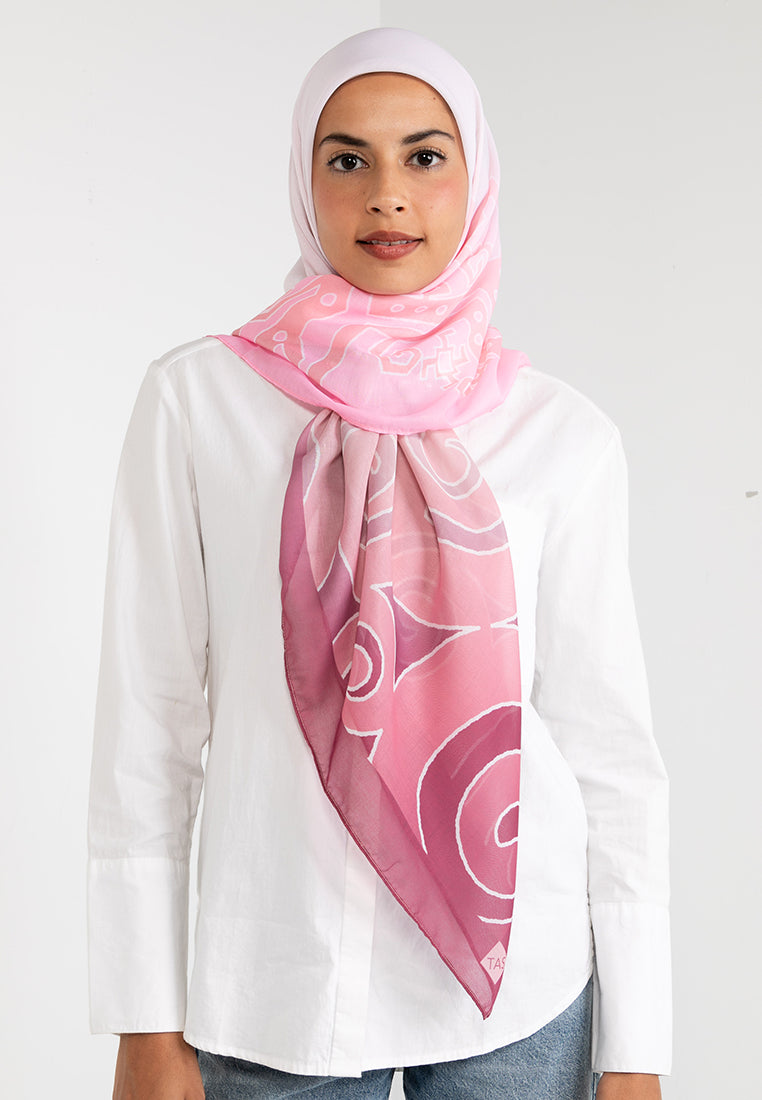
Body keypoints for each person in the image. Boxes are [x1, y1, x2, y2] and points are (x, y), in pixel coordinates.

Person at [88, 27, 671, 1100]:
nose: (387, 194)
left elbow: (608, 751)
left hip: (522, 990)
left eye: (425, 156)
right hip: (277, 977)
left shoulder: (564, 436)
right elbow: (150, 722)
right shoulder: (200, 404)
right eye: (347, 158)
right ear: (304, 182)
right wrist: (144, 1018)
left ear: (475, 179)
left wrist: (636, 1045)